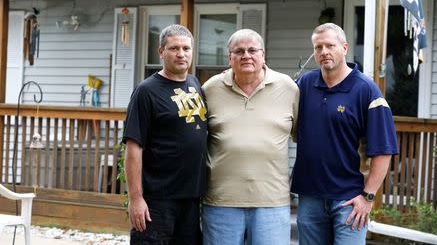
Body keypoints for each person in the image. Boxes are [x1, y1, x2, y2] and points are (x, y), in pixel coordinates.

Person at [291, 23, 399, 244]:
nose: (323, 52)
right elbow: (272, 92)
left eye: (330, 45)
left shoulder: (367, 91)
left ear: (345, 47)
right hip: (310, 196)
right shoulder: (304, 85)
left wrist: (368, 197)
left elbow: (384, 151)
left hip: (350, 200)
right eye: (318, 47)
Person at [201, 29, 299, 245]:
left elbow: (303, 137)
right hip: (220, 201)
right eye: (239, 51)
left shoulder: (288, 89)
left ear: (263, 55)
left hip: (272, 201)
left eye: (252, 50)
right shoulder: (210, 89)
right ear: (229, 58)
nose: (246, 55)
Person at [122, 24, 207, 244]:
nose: (181, 54)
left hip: (190, 199)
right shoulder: (146, 91)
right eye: (174, 48)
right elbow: (133, 148)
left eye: (186, 48)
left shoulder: (195, 84)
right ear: (161, 52)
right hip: (157, 201)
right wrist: (136, 199)